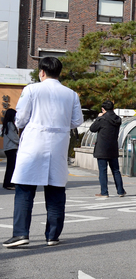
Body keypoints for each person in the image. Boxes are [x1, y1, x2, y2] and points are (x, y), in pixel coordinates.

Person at [3, 57, 83, 248]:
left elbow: (20, 118)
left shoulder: (31, 89)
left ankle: (21, 233)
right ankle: (52, 235)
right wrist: (60, 125)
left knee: (25, 189)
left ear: (42, 72)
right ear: (59, 73)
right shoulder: (71, 94)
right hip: (58, 144)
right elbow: (77, 121)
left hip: (34, 142)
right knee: (56, 189)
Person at [90, 100, 126, 198]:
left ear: (103, 109)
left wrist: (98, 118)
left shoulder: (102, 119)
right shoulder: (118, 119)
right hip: (113, 147)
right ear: (113, 108)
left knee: (103, 171)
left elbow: (92, 129)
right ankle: (120, 191)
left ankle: (104, 192)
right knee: (115, 170)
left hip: (102, 148)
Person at [2, 109, 19, 190]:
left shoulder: (7, 124)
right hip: (11, 148)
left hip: (9, 148)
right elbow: (14, 137)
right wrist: (21, 142)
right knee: (11, 166)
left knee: (11, 166)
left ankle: (9, 183)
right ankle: (8, 183)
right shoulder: (10, 124)